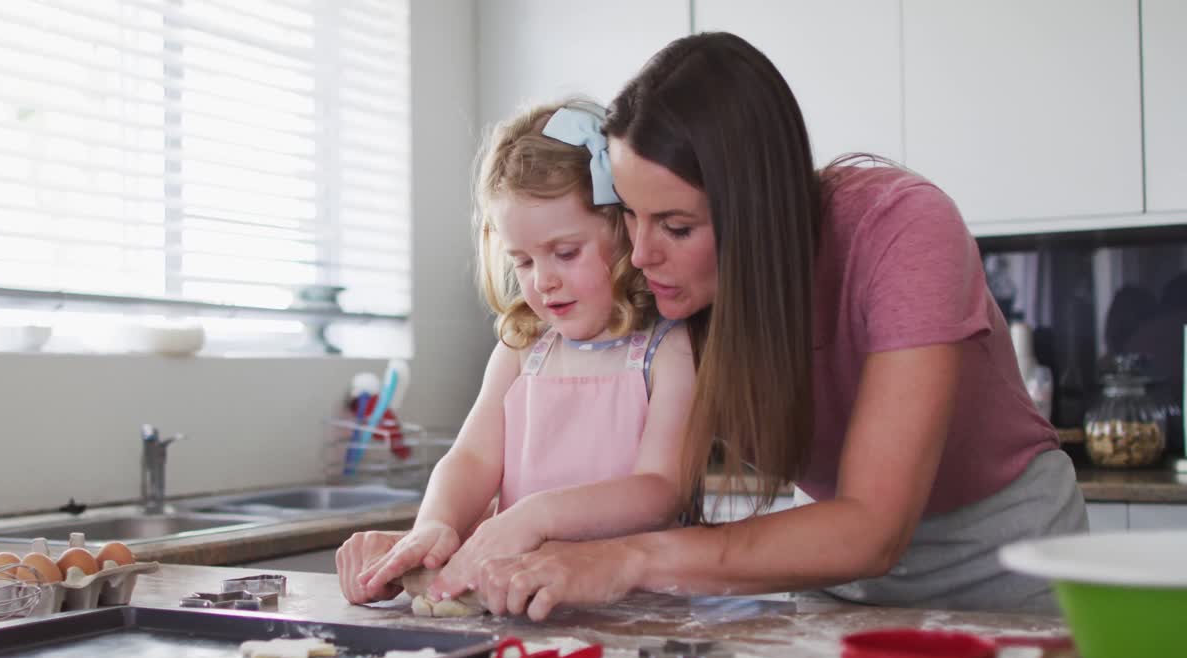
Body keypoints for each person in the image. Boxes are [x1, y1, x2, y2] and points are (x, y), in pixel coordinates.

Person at [461, 32, 1087, 620]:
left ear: (754, 215)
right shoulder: (669, 295)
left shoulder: (904, 231)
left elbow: (872, 528)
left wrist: (626, 559)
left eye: (677, 227)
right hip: (826, 566)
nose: (642, 254)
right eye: (628, 215)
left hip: (1004, 561)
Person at [335, 100, 696, 608]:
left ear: (622, 230)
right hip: (521, 607)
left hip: (634, 607)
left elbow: (660, 490)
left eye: (565, 253)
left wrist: (540, 515)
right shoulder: (522, 350)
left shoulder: (665, 349)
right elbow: (472, 457)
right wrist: (436, 521)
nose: (543, 281)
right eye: (523, 261)